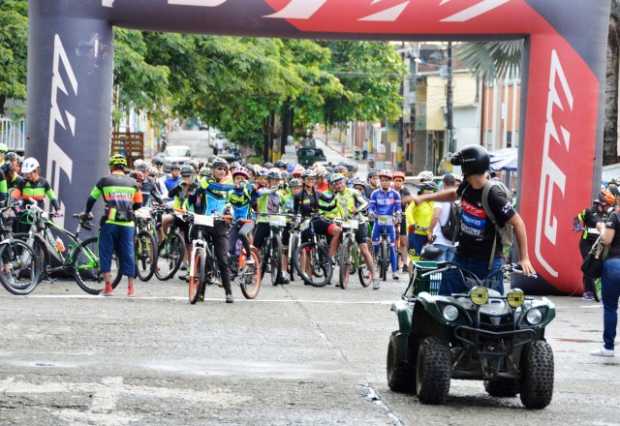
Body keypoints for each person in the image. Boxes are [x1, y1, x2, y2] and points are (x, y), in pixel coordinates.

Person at [412, 145, 534, 296]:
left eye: (462, 166)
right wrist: (424, 198)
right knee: (444, 303)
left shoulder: (493, 195)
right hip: (461, 257)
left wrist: (524, 258)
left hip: (487, 264)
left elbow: (518, 223)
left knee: (492, 311)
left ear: (468, 168)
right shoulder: (467, 186)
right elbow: (452, 195)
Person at [80, 154, 142, 296]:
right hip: (128, 223)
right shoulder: (133, 183)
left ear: (111, 167)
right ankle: (130, 289)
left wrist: (86, 212)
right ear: (124, 167)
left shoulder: (104, 181)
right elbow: (139, 204)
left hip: (110, 222)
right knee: (128, 253)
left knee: (106, 251)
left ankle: (108, 287)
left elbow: (91, 199)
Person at [189, 157, 235, 303]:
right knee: (204, 258)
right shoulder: (206, 181)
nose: (221, 171)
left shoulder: (228, 186)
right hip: (203, 222)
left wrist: (230, 212)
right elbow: (194, 197)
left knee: (222, 259)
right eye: (218, 168)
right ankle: (200, 292)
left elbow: (231, 203)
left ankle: (228, 292)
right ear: (213, 170)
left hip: (220, 225)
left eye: (224, 169)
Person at [329, 173, 376, 289]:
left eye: (340, 183)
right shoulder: (336, 196)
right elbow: (333, 210)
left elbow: (365, 203)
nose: (338, 185)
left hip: (359, 222)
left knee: (364, 249)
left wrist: (357, 210)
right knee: (344, 248)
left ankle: (375, 277)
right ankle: (343, 276)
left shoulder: (353, 192)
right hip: (345, 223)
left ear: (344, 182)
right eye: (336, 184)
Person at [592, 197, 620, 357]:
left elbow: (607, 240)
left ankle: (608, 347)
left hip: (615, 265)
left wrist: (601, 227)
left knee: (611, 307)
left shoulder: (615, 217)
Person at [575, 191, 615, 300]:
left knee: (601, 266)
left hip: (600, 244)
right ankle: (588, 292)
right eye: (607, 205)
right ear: (601, 203)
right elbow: (576, 219)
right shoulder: (588, 211)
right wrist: (577, 227)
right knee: (589, 265)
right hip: (586, 243)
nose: (609, 207)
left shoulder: (610, 214)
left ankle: (601, 290)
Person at [369, 170, 402, 282]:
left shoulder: (395, 194)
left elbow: (398, 208)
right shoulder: (374, 193)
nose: (385, 183)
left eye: (387, 180)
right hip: (378, 221)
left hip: (390, 221)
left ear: (390, 182)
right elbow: (371, 207)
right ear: (380, 181)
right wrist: (371, 213)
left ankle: (394, 272)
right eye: (382, 180)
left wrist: (397, 214)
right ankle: (371, 268)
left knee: (393, 246)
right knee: (374, 245)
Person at [405, 181, 438, 261]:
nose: (432, 193)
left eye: (433, 191)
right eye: (430, 190)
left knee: (429, 258)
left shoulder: (434, 203)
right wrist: (413, 224)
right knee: (414, 258)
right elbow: (408, 212)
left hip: (429, 234)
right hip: (415, 232)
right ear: (423, 191)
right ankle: (412, 273)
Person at [432, 173, 459, 262]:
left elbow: (436, 216)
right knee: (451, 270)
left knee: (440, 269)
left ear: (444, 183)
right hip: (454, 241)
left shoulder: (441, 197)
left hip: (440, 239)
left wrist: (429, 231)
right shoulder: (458, 198)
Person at [393, 171, 412, 272]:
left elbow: (411, 205)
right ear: (393, 181)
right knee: (393, 240)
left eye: (400, 181)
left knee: (403, 242)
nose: (398, 183)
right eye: (396, 180)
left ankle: (405, 264)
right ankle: (392, 261)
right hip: (391, 217)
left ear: (403, 182)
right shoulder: (390, 191)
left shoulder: (406, 191)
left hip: (402, 217)